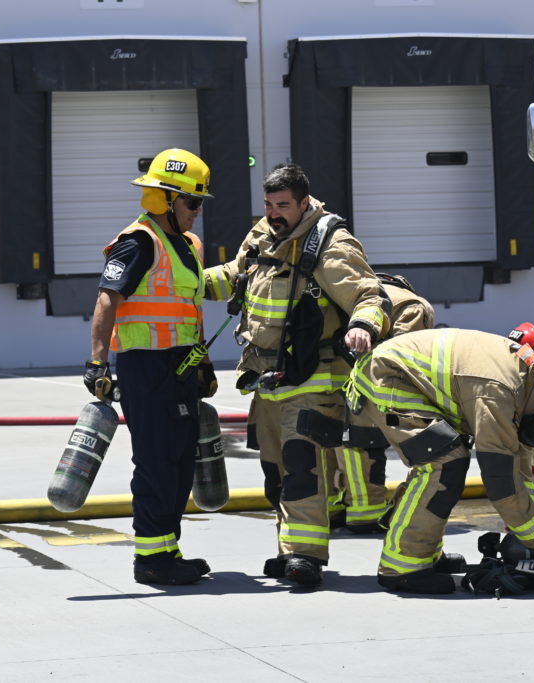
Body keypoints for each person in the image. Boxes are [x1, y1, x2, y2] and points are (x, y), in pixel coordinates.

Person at [203, 163, 391, 586]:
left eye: (283, 205)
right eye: (268, 204)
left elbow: (369, 295)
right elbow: (235, 275)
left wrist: (363, 325)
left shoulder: (330, 242)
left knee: (303, 466)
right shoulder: (263, 234)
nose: (273, 213)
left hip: (314, 378)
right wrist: (187, 284)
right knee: (277, 473)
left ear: (304, 202)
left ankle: (305, 556)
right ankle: (288, 548)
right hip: (267, 376)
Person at [344, 327, 534, 594]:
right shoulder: (498, 393)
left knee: (446, 457)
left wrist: (531, 534)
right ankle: (402, 568)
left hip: (397, 372)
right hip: (386, 375)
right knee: (444, 463)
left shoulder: (524, 378)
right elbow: (501, 481)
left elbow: (518, 465)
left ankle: (424, 552)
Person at [84, 148, 218, 586]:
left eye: (199, 202)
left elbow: (189, 308)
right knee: (157, 461)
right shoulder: (138, 242)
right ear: (166, 198)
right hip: (146, 368)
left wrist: (202, 362)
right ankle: (151, 560)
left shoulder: (188, 245)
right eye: (192, 202)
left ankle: (167, 548)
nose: (197, 211)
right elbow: (107, 299)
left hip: (180, 367)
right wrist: (98, 363)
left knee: (180, 461)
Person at [329, 275, 435, 534]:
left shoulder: (351, 292)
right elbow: (407, 354)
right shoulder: (412, 306)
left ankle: (334, 508)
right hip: (372, 380)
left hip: (330, 377)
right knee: (364, 441)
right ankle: (365, 512)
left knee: (333, 441)